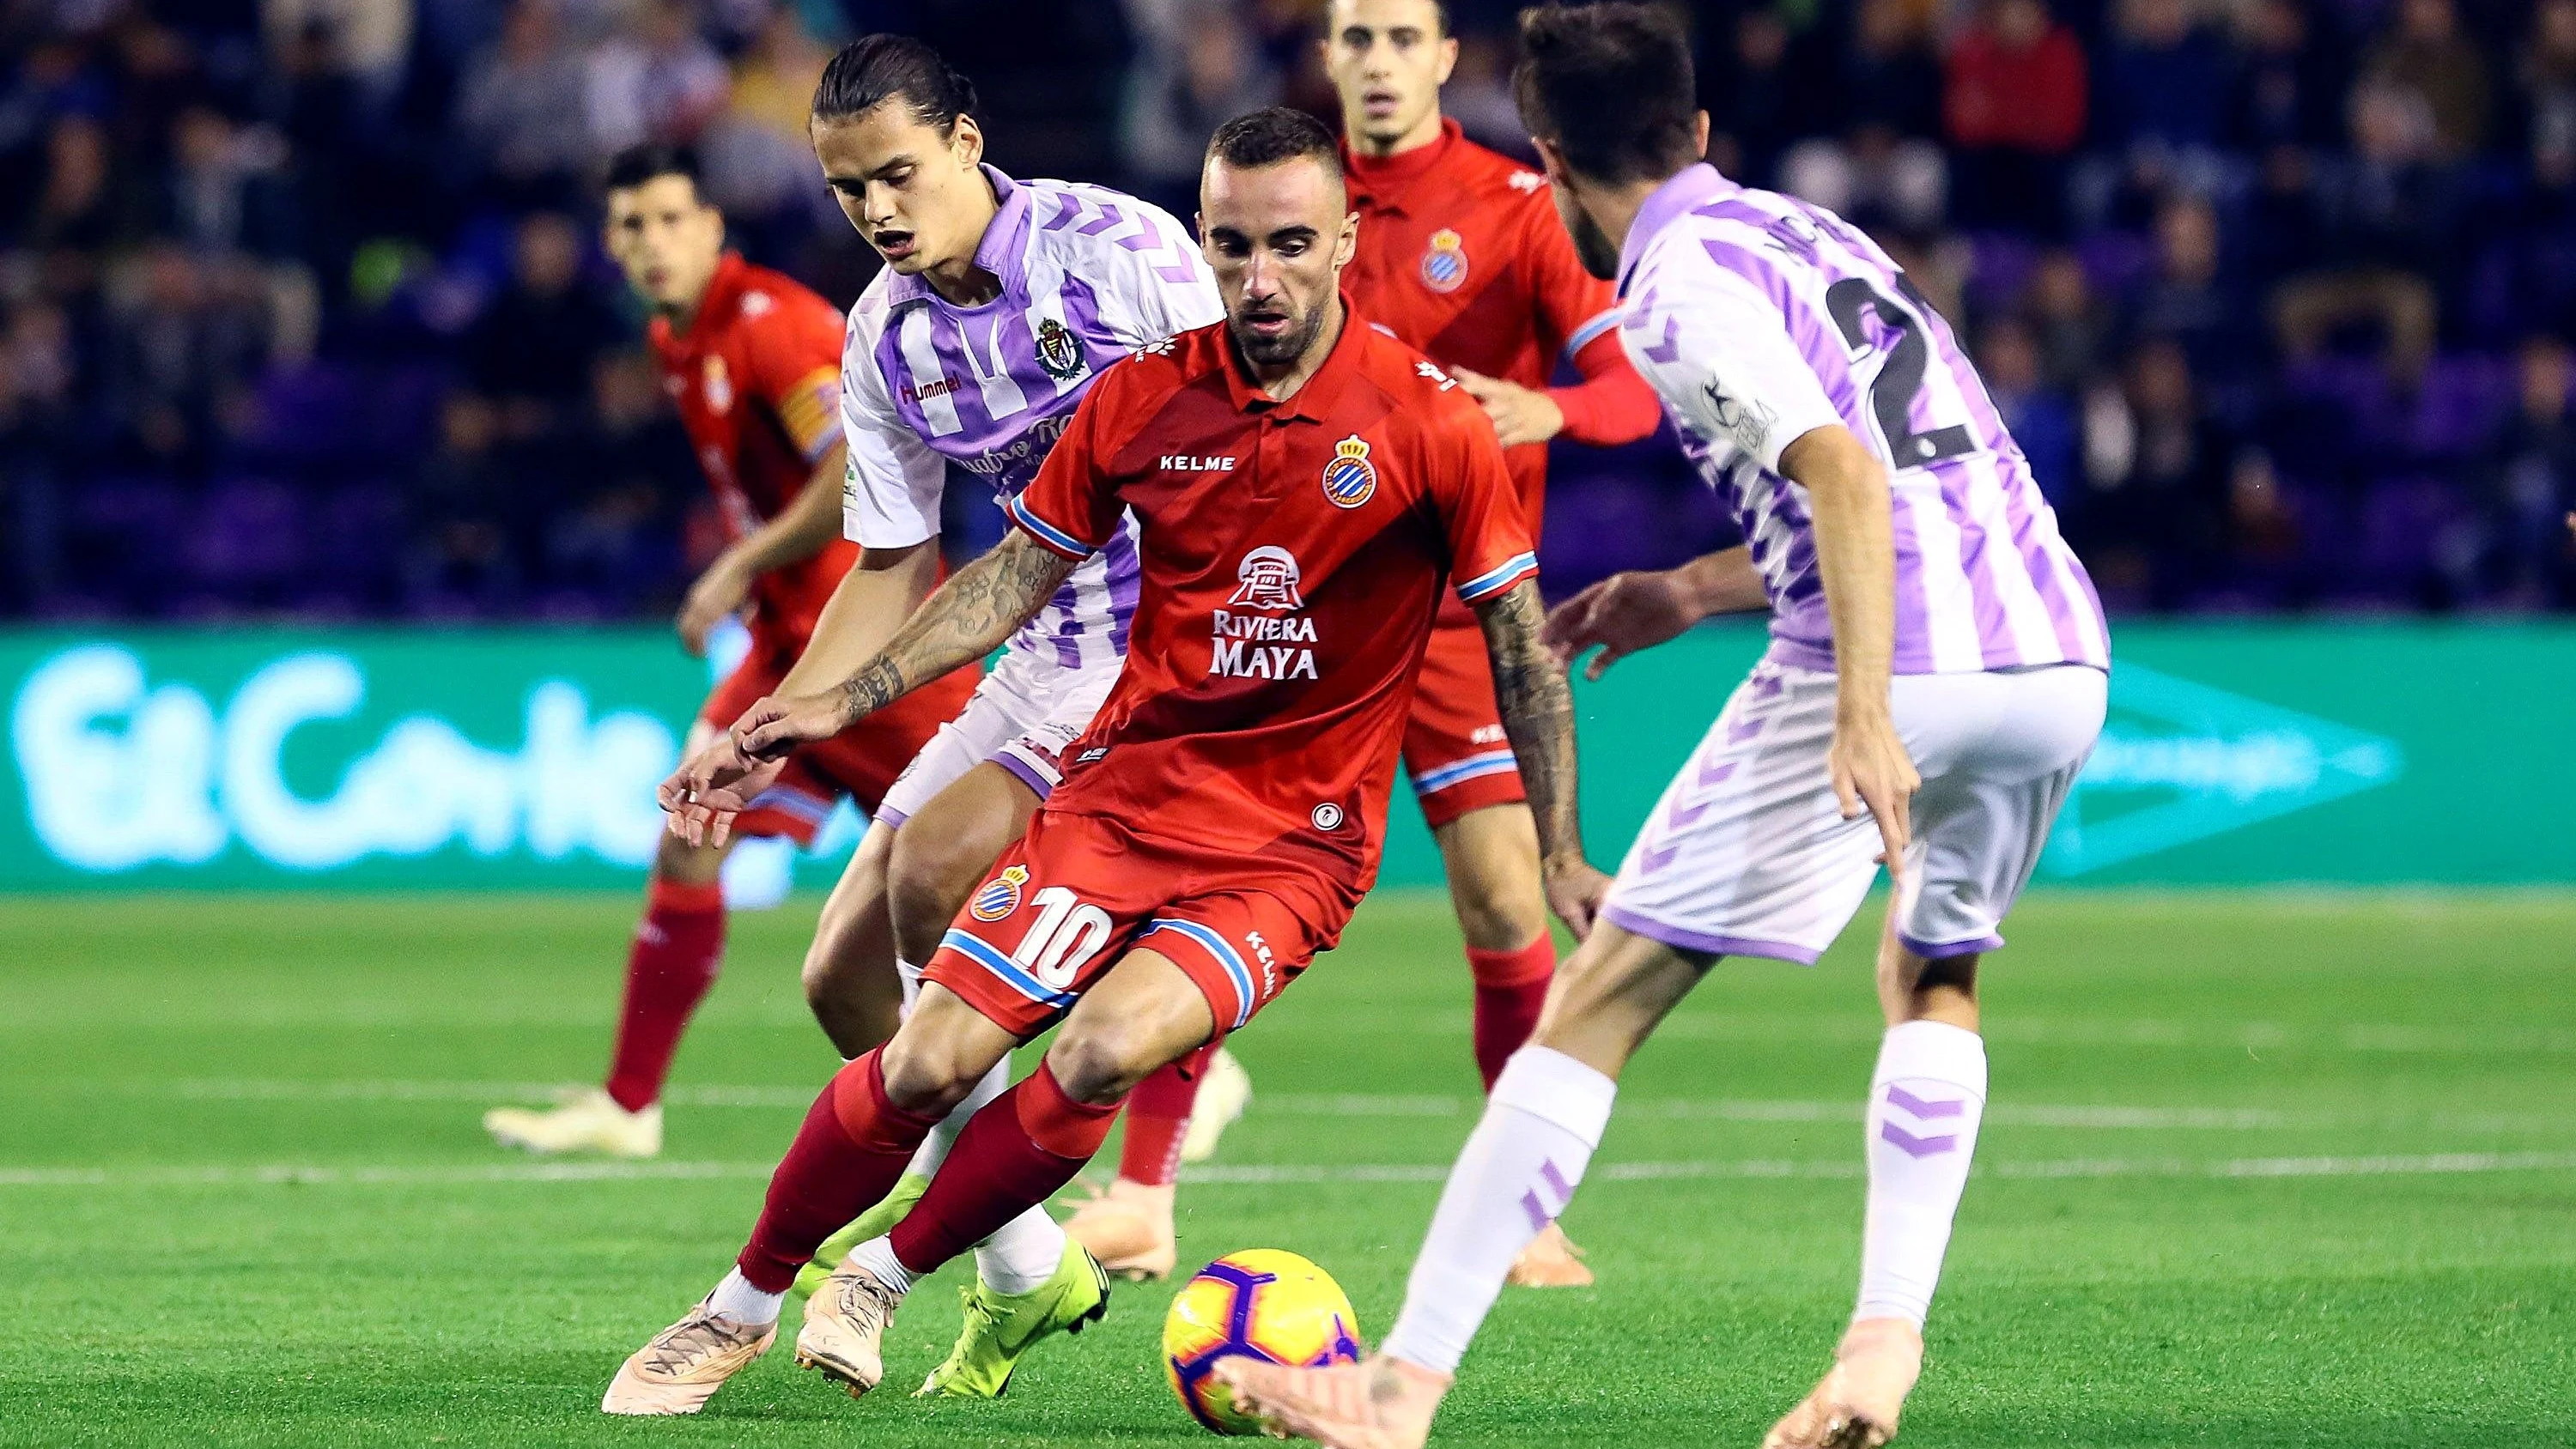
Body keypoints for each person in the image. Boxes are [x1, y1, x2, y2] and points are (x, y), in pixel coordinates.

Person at [605, 104, 1592, 1420]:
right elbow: (1000, 570)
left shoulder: (1416, 416)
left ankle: (895, 1270)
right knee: (889, 1030)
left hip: (1276, 825)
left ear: (1348, 239)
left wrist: (1565, 846)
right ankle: (868, 1284)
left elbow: (1520, 644)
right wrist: (830, 699)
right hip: (1116, 764)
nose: (1259, 280)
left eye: (1291, 245)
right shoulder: (1120, 391)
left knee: (1070, 1026)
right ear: (1208, 239)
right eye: (1233, 247)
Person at [1218, 8, 2111, 1447]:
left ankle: (1394, 1392)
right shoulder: (1811, 236)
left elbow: (1850, 486)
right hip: (2055, 650)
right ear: (1698, 132)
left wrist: (1868, 714)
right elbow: (1914, 476)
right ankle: (1877, 1356)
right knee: (1934, 972)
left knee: (1597, 999)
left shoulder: (1675, 289)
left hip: (1899, 659)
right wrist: (1691, 585)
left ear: (1551, 159)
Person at [646, 34, 1227, 1400]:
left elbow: (1256, 437)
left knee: (930, 867)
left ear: (967, 144)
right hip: (1037, 650)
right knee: (837, 983)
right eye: (851, 194)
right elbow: (895, 557)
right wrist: (780, 716)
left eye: (899, 175)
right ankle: (1029, 1268)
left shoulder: (1121, 254)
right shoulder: (885, 336)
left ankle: (1095, 1062)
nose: (881, 214)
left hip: (1171, 650)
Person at [1063, 0, 1660, 1290]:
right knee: (1195, 891)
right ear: (1327, 59)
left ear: (1449, 58)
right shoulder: (1273, 209)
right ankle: (1144, 1195)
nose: (1379, 62)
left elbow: (1633, 383)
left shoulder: (1511, 205)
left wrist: (1542, 407)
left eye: (1403, 37)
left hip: (1450, 620)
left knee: (1508, 899)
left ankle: (1517, 1207)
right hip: (1278, 620)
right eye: (1356, 37)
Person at [480, 144, 975, 1160]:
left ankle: (1153, 1050)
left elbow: (849, 473)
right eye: (632, 226)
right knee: (688, 832)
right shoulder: (680, 336)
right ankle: (630, 1105)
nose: (652, 243)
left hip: (867, 650)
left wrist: (734, 562)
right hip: (786, 644)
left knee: (979, 881)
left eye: (670, 219)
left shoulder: (773, 326)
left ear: (713, 225)